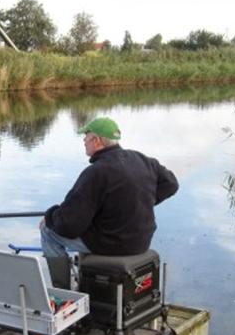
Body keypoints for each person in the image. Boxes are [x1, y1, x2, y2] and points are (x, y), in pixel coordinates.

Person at [40, 116, 179, 279]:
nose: (84, 140)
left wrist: (49, 217)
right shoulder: (143, 160)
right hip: (141, 241)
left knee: (48, 232)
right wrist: (141, 201)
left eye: (86, 136)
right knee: (86, 224)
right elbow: (171, 184)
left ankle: (62, 290)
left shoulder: (96, 172)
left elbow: (69, 225)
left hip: (111, 244)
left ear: (97, 140)